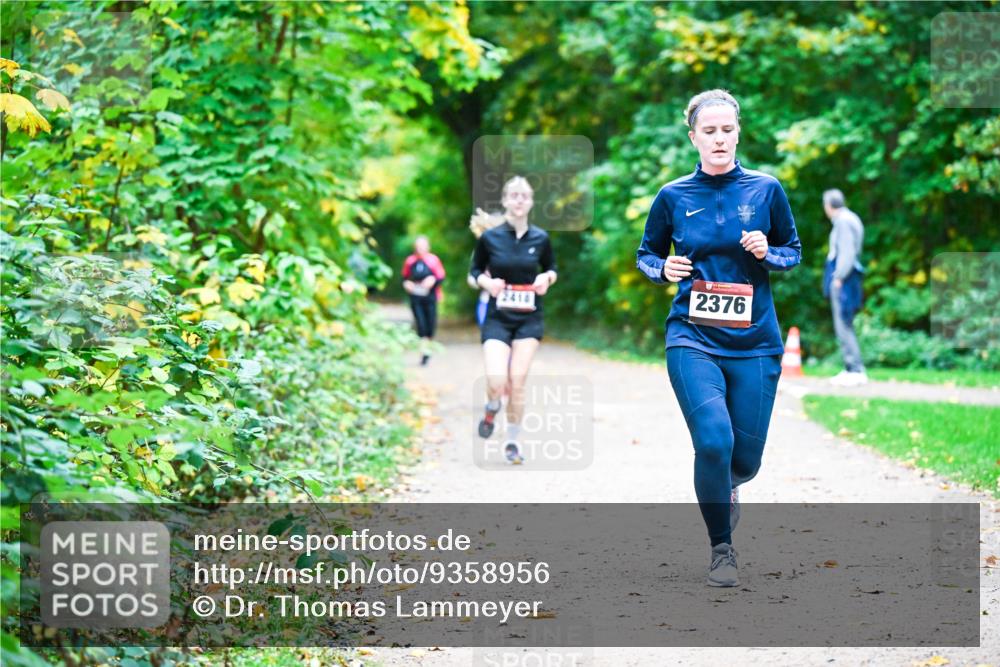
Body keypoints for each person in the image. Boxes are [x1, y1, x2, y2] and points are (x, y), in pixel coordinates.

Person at [636, 89, 802, 587]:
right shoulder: (673, 196)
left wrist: (768, 252)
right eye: (709, 131)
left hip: (756, 342)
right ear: (694, 137)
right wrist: (663, 268)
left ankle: (729, 485)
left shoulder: (766, 189)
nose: (719, 139)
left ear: (738, 133)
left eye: (727, 130)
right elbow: (646, 255)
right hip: (692, 336)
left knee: (744, 461)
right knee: (714, 440)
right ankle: (721, 549)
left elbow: (792, 250)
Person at [470, 176, 557, 465]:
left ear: (530, 202)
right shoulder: (490, 238)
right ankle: (492, 405)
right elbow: (473, 274)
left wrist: (546, 277)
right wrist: (487, 283)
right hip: (498, 318)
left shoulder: (540, 238)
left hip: (529, 319)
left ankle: (511, 442)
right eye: (514, 196)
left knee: (517, 381)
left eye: (524, 196)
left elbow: (552, 269)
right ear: (506, 201)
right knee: (497, 380)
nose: (519, 200)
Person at [822, 189, 867, 386]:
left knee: (843, 324)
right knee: (845, 323)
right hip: (848, 276)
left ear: (828, 206)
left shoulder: (843, 221)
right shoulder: (851, 218)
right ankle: (852, 368)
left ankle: (854, 369)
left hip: (844, 278)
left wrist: (838, 277)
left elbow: (846, 252)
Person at [401, 236, 446, 366]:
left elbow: (441, 277)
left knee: (430, 324)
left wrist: (432, 281)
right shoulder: (410, 261)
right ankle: (424, 352)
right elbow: (404, 278)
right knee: (421, 324)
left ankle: (428, 348)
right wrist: (407, 284)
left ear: (428, 247)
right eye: (418, 247)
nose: (420, 249)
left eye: (423, 246)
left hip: (430, 297)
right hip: (416, 297)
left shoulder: (433, 260)